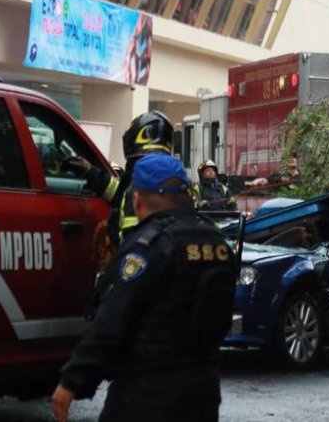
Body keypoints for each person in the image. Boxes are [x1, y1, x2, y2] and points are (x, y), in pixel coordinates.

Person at [51, 153, 237, 422]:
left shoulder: (149, 247)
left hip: (146, 394)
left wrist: (73, 381)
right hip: (204, 393)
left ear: (137, 199)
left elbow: (111, 320)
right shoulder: (217, 242)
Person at [68, 111, 173, 245]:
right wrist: (90, 172)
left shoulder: (142, 180)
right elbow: (119, 193)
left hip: (139, 258)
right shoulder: (173, 178)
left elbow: (133, 237)